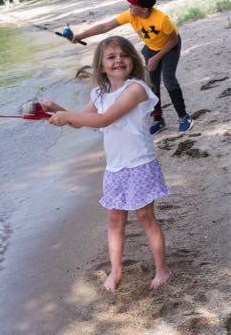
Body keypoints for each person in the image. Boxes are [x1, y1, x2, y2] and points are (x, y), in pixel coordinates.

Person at [44, 36, 172, 292]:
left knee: (146, 218)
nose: (118, 61)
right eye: (111, 57)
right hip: (114, 169)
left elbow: (104, 120)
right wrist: (53, 109)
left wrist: (67, 116)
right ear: (101, 66)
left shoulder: (135, 89)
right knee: (114, 221)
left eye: (123, 55)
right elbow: (81, 120)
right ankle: (115, 271)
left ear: (132, 60)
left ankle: (163, 270)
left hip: (139, 165)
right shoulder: (100, 93)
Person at [70, 0, 193, 134]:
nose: (130, 6)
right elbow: (105, 26)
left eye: (133, 4)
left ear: (145, 9)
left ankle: (184, 117)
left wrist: (157, 57)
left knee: (168, 80)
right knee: (151, 83)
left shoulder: (162, 19)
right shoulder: (131, 14)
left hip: (169, 47)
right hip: (151, 48)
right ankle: (158, 119)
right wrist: (80, 36)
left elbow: (173, 40)